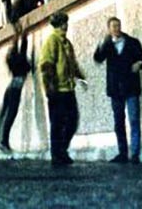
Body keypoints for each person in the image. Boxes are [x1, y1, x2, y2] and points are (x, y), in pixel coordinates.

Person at [92, 17, 142, 164]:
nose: (116, 28)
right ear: (109, 29)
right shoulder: (108, 45)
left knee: (134, 119)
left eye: (118, 25)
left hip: (131, 86)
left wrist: (139, 63)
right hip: (115, 89)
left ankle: (134, 153)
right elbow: (98, 58)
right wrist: (100, 44)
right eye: (113, 26)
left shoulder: (132, 42)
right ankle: (122, 153)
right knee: (119, 122)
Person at [39, 11, 85, 167]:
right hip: (57, 90)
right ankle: (57, 154)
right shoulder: (52, 41)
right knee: (57, 124)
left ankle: (62, 150)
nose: (66, 25)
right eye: (63, 23)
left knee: (72, 121)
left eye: (66, 22)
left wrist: (80, 77)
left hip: (68, 89)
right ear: (58, 25)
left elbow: (72, 64)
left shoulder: (67, 42)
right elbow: (46, 65)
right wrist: (50, 88)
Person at [0, 30, 32, 153]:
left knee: (7, 113)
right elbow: (23, 52)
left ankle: (3, 140)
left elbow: (21, 50)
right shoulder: (19, 60)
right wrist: (23, 38)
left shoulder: (12, 60)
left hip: (11, 86)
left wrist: (19, 38)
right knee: (11, 114)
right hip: (16, 88)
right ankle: (4, 141)